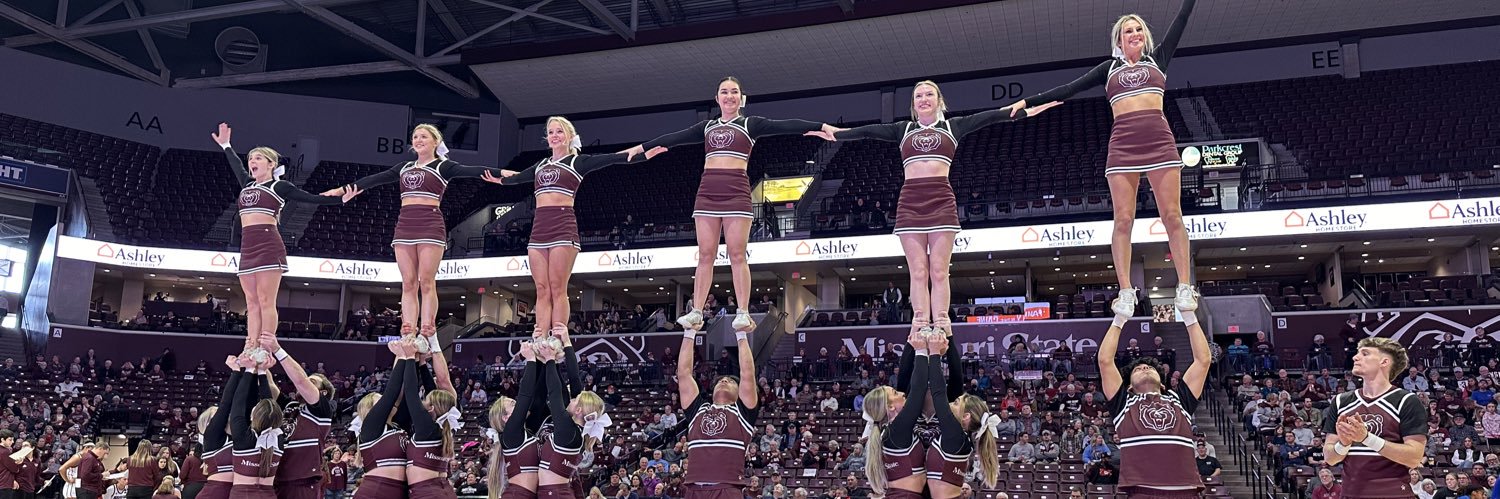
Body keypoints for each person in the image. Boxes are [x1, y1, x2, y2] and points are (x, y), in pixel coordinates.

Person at [811, 81, 1056, 336]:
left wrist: (1024, 110)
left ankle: (941, 323)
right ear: (913, 103)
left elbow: (994, 116)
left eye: (929, 94)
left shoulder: (954, 126)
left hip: (941, 199)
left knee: (939, 270)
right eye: (918, 95)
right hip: (910, 201)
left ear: (939, 101)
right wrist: (836, 133)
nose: (924, 99)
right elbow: (867, 131)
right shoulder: (902, 129)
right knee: (918, 271)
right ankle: (919, 324)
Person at [1008, 0, 1200, 315]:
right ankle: (1125, 290)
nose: (1135, 33)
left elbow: (1181, 20)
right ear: (1119, 41)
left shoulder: (1158, 59)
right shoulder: (1107, 69)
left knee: (1172, 216)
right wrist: (1028, 101)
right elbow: (1068, 89)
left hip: (1160, 143)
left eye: (1139, 29)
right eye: (1128, 31)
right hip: (1123, 145)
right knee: (1123, 219)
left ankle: (1183, 286)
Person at [626, 77, 840, 333]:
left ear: (742, 98)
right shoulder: (707, 127)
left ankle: (742, 312)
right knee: (705, 255)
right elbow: (674, 138)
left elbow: (784, 125)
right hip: (707, 192)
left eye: (734, 92)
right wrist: (642, 147)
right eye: (724, 92)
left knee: (737, 255)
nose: (729, 96)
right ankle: (696, 312)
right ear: (717, 99)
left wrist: (819, 126)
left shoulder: (750, 124)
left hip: (736, 191)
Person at [482, 117, 665, 338]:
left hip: (562, 226)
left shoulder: (577, 162)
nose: (555, 135)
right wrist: (499, 180)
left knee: (557, 287)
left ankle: (558, 335)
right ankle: (540, 336)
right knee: (541, 288)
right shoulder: (541, 165)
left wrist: (644, 153)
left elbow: (614, 158)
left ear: (569, 136)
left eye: (559, 131)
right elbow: (518, 177)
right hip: (539, 229)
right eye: (551, 132)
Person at [321, 124, 499, 349]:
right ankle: (408, 327)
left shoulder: (443, 166)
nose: (418, 140)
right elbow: (373, 180)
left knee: (426, 281)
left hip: (430, 223)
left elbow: (473, 170)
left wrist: (503, 174)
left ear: (435, 142)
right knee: (408, 282)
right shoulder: (403, 167)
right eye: (415, 137)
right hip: (405, 224)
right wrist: (341, 190)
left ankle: (427, 327)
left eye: (424, 136)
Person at [211, 124, 354, 358]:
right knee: (252, 302)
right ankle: (250, 345)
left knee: (266, 300)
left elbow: (311, 198)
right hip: (247, 248)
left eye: (258, 158)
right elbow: (235, 165)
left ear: (271, 164)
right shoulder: (248, 185)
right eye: (250, 159)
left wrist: (340, 200)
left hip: (268, 244)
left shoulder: (279, 186)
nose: (252, 161)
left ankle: (266, 346)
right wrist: (226, 145)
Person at [1097, 301, 1212, 497]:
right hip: (1142, 490)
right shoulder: (1123, 404)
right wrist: (1120, 318)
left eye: (1149, 368)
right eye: (1138, 369)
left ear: (1163, 384)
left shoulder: (1179, 400)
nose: (1144, 368)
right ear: (1130, 386)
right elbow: (1105, 361)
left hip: (1185, 490)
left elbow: (1203, 361)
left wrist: (1189, 314)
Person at [1322, 337, 1429, 497]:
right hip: (1351, 494)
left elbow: (1414, 458)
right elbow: (1330, 458)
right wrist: (1343, 444)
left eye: (1365, 353)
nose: (1355, 357)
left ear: (1384, 362)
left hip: (1393, 494)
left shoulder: (1406, 401)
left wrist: (1366, 438)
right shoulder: (1340, 401)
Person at [675, 304, 759, 499]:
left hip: (727, 488)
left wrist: (741, 335)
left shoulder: (743, 412)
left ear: (740, 393)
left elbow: (747, 374)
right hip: (693, 489)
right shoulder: (698, 410)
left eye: (730, 381)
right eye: (721, 380)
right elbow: (684, 374)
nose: (724, 380)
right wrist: (689, 333)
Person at [922, 334, 1000, 498]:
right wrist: (949, 335)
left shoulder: (955, 435)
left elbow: (938, 392)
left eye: (956, 402)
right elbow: (957, 377)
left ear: (966, 416)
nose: (951, 404)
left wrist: (935, 353)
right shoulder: (960, 437)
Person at [259, 337, 336, 499]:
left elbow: (300, 380)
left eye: (313, 382)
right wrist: (260, 355)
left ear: (322, 393)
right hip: (278, 478)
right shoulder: (291, 405)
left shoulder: (322, 410)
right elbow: (271, 387)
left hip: (302, 482)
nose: (307, 382)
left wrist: (277, 349)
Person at [862, 332, 930, 499]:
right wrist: (921, 351)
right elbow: (918, 388)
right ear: (890, 406)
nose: (901, 392)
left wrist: (912, 337)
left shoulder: (890, 431)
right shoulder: (897, 430)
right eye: (894, 392)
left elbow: (905, 377)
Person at [536, 341, 605, 499]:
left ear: (579, 410)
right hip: (556, 492)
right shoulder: (576, 431)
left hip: (555, 494)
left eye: (575, 400)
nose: (571, 399)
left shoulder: (569, 431)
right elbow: (573, 381)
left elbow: (554, 393)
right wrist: (564, 347)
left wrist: (550, 360)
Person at [228, 354, 283, 499]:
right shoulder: (278, 437)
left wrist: (251, 370)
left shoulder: (244, 437)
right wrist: (261, 372)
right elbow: (269, 407)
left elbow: (238, 401)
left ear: (254, 415)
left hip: (242, 495)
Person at [489, 345, 536, 499]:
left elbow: (536, 397)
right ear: (505, 417)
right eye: (513, 405)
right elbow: (525, 395)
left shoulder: (519, 434)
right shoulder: (510, 433)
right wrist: (530, 360)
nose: (518, 406)